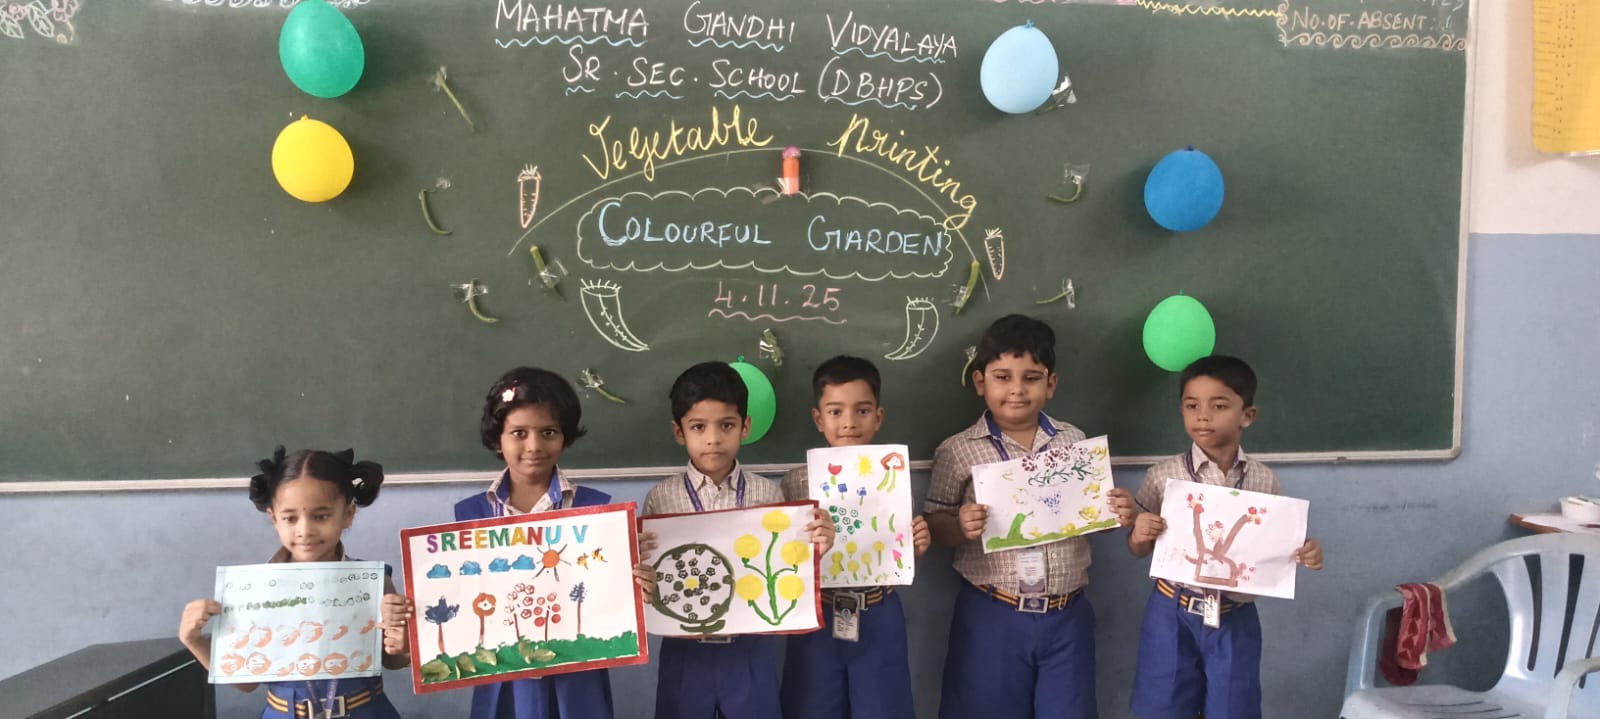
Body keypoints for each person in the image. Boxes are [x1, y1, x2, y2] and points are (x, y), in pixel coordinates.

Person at [925, 314, 1135, 719]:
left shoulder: (1074, 442)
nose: (1017, 390)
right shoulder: (958, 451)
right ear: (980, 382)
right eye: (1002, 377)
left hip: (1066, 615)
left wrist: (1118, 510)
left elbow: (1093, 514)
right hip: (993, 613)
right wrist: (960, 526)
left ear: (1051, 384)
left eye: (1032, 378)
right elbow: (934, 524)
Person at [634, 360, 835, 719]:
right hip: (685, 648)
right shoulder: (660, 499)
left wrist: (816, 549)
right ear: (679, 432)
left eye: (726, 425)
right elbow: (649, 577)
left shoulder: (767, 494)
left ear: (745, 426)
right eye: (698, 427)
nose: (713, 439)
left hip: (750, 647)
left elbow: (786, 565)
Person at [1127, 355, 1324, 719]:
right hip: (1172, 611)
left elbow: (1279, 545)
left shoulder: (1264, 480)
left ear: (1247, 415)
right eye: (1192, 406)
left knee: (1233, 707)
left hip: (1234, 615)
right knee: (1164, 705)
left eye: (1218, 406)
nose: (1203, 416)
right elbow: (1138, 548)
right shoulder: (1163, 476)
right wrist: (1139, 534)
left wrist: (1306, 551)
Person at [178, 447, 411, 719]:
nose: (305, 531)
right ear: (274, 518)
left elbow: (393, 660)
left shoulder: (374, 583)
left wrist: (405, 642)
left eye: (321, 516)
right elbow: (246, 682)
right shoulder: (252, 592)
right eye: (290, 518)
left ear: (348, 514)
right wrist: (194, 640)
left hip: (366, 711)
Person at [451, 367, 618, 719]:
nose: (534, 446)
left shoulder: (598, 510)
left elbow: (611, 597)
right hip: (502, 675)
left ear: (565, 436)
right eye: (519, 433)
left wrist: (631, 582)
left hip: (578, 675)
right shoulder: (470, 517)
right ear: (498, 438)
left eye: (548, 432)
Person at [778, 355, 931, 719]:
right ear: (819, 419)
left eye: (862, 411)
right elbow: (784, 561)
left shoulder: (894, 477)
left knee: (883, 709)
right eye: (835, 412)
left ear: (878, 417)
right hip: (818, 614)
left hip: (878, 610)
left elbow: (896, 546)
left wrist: (915, 545)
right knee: (811, 708)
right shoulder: (796, 483)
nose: (849, 422)